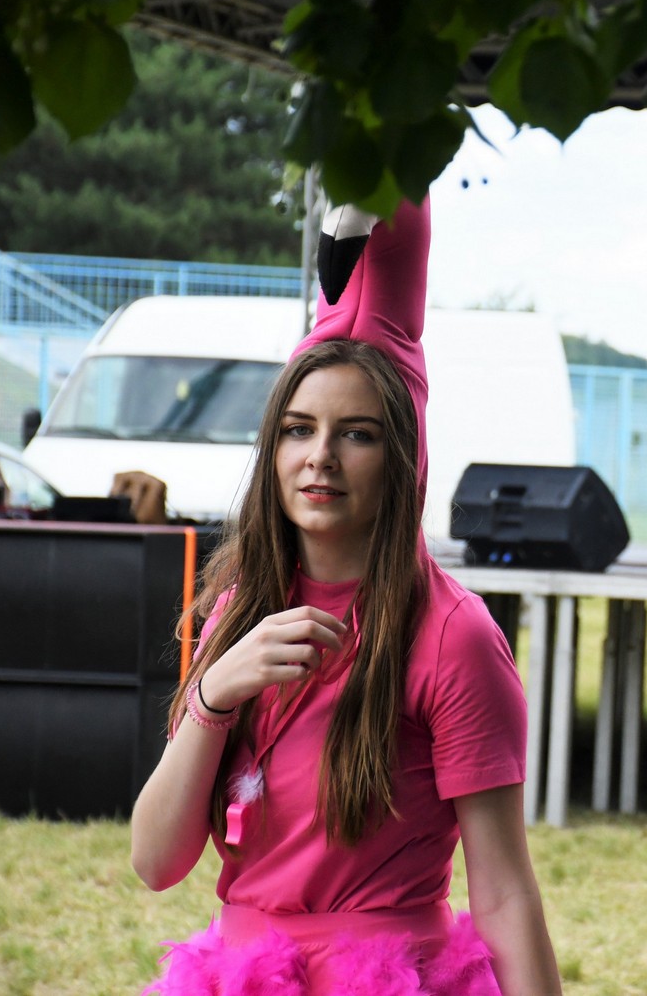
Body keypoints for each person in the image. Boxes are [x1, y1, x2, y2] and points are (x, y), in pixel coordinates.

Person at [131, 199, 561, 996]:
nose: (319, 456)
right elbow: (156, 861)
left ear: (400, 456)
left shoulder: (453, 635)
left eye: (356, 433)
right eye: (297, 428)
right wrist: (215, 693)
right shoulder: (237, 610)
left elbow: (502, 888)